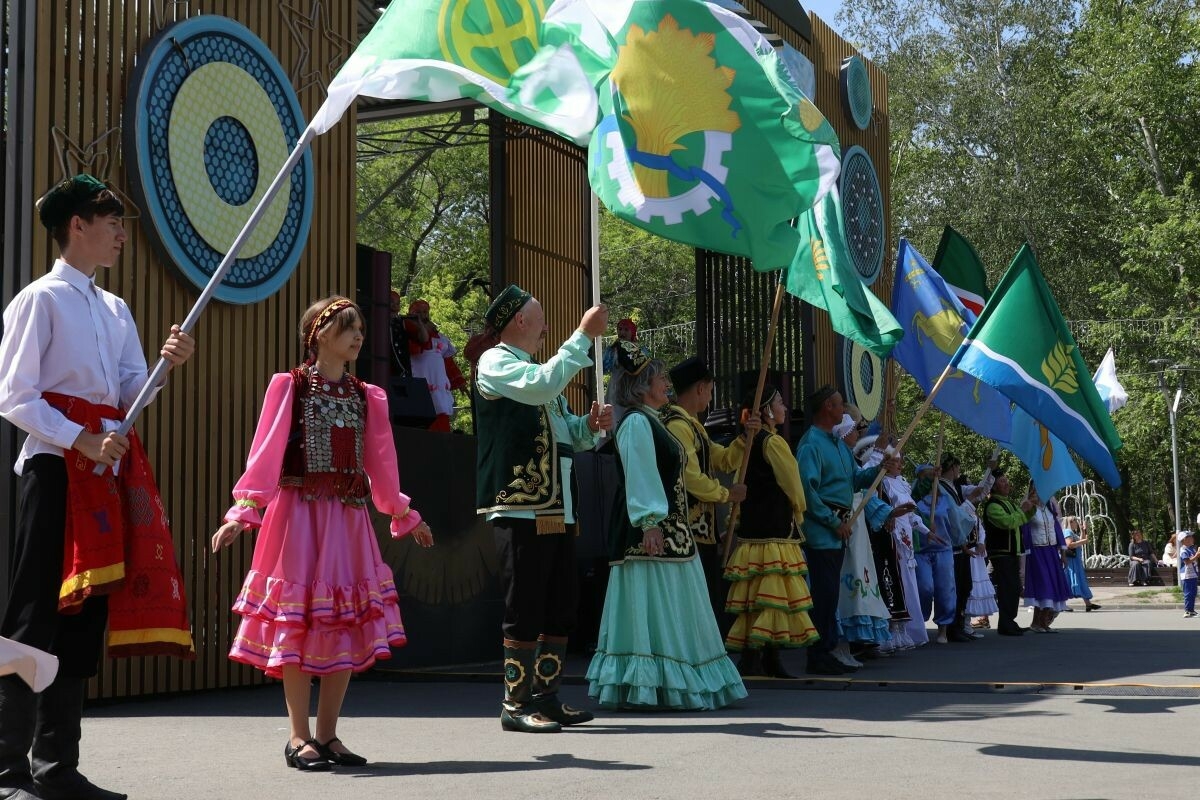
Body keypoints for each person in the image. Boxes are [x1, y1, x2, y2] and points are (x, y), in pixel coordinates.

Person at [0, 174, 196, 800]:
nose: (120, 234)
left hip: (105, 472)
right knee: (35, 612)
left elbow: (130, 394)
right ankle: (6, 770)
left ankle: (57, 767)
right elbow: (14, 395)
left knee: (83, 614)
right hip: (56, 471)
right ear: (76, 226)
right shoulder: (39, 300)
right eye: (110, 222)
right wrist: (79, 439)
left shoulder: (115, 309)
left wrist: (166, 365)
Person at [211, 296, 434, 771]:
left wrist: (402, 513)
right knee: (297, 622)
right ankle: (298, 736)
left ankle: (328, 734)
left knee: (344, 622)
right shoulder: (290, 386)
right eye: (348, 328)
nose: (358, 336)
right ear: (320, 335)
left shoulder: (367, 395)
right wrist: (244, 510)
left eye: (359, 329)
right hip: (298, 516)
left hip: (347, 519)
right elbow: (267, 451)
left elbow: (381, 462)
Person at [474, 284, 611, 733]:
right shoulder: (495, 362)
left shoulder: (539, 373)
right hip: (520, 506)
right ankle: (514, 704)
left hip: (557, 506)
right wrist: (582, 336)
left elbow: (568, 432)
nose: (547, 327)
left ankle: (546, 698)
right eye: (541, 318)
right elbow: (540, 388)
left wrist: (588, 425)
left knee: (560, 605)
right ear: (519, 321)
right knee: (525, 605)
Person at [586, 343, 746, 709]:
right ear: (642, 386)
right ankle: (658, 683)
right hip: (654, 534)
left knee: (667, 608)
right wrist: (650, 523)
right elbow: (640, 474)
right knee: (657, 605)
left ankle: (668, 681)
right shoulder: (637, 423)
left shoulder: (651, 420)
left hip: (672, 533)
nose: (666, 384)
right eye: (660, 378)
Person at [795, 386, 892, 676]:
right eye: (839, 405)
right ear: (828, 407)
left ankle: (826, 650)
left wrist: (880, 469)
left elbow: (856, 480)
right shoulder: (811, 444)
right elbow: (807, 492)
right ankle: (817, 655)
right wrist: (832, 521)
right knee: (823, 595)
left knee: (830, 595)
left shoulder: (837, 445)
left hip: (839, 530)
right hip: (823, 531)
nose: (844, 410)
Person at [722, 385, 817, 679]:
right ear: (766, 410)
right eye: (779, 402)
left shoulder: (749, 442)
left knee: (754, 595)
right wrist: (799, 511)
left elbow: (736, 473)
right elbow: (793, 484)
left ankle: (753, 657)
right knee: (774, 596)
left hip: (753, 529)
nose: (785, 408)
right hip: (774, 529)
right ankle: (768, 657)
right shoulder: (773, 443)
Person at [659, 357, 750, 626]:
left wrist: (745, 438)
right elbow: (691, 478)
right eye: (710, 390)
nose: (710, 397)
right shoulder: (677, 425)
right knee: (695, 603)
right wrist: (727, 495)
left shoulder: (692, 424)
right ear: (700, 388)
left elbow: (722, 459)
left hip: (701, 531)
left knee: (706, 599)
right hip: (687, 530)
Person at [915, 456, 972, 644]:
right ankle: (920, 620)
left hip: (943, 551)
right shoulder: (914, 500)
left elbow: (956, 525)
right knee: (925, 587)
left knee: (945, 590)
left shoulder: (946, 501)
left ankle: (943, 629)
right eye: (926, 477)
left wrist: (963, 544)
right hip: (921, 551)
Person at [880, 452, 930, 647]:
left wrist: (927, 531)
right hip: (894, 535)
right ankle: (896, 630)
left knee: (909, 583)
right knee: (898, 582)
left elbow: (911, 515)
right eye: (896, 462)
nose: (900, 465)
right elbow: (888, 511)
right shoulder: (883, 483)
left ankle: (912, 631)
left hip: (907, 537)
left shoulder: (901, 482)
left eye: (901, 462)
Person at [981, 470, 1035, 636]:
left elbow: (1021, 519)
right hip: (1001, 553)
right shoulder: (992, 506)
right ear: (994, 486)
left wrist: (1031, 507)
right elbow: (1009, 522)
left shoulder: (1008, 503)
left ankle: (1010, 621)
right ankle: (1005, 624)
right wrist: (1022, 510)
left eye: (1006, 481)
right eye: (1002, 481)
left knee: (1013, 588)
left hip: (1012, 552)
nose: (1007, 484)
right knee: (1007, 588)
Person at [404, 299, 467, 432]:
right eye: (418, 312)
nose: (423, 315)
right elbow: (419, 346)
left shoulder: (439, 336)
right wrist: (421, 327)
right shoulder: (408, 333)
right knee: (423, 415)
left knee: (441, 412)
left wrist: (460, 382)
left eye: (425, 312)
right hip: (420, 379)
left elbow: (448, 362)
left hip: (439, 381)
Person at [1022, 491, 1072, 633]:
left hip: (1051, 552)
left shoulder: (1050, 508)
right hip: (1037, 552)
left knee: (1052, 585)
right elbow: (1024, 530)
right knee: (1043, 585)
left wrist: (1063, 554)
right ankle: (1036, 622)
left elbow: (1057, 531)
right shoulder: (1029, 509)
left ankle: (1043, 622)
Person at [1062, 517, 1101, 611]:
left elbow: (1079, 541)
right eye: (1076, 521)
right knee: (1069, 581)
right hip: (1072, 562)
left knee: (1079, 581)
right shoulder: (1067, 531)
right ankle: (1061, 604)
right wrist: (1084, 541)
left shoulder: (1072, 532)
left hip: (1075, 561)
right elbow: (1069, 544)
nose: (1077, 523)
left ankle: (1088, 604)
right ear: (1071, 522)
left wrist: (1083, 531)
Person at [1177, 531, 1198, 618]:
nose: (1192, 538)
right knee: (1188, 593)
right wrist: (1197, 555)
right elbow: (1187, 561)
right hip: (1187, 575)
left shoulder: (1191, 548)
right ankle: (1187, 611)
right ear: (1184, 540)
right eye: (1190, 537)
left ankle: (1191, 610)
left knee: (1193, 593)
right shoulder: (1183, 550)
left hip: (1193, 574)